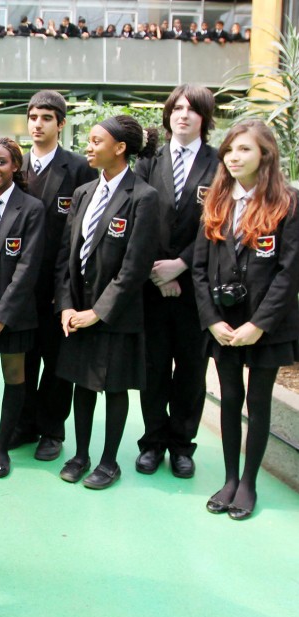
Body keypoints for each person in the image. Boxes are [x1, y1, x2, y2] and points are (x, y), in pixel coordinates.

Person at [193, 119, 299, 520]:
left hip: (265, 325)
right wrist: (212, 320)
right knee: (230, 398)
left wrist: (260, 324)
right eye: (231, 150)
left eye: (245, 150)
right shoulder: (218, 201)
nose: (234, 157)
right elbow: (199, 269)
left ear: (265, 155)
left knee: (257, 401)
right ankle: (230, 478)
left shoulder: (287, 202)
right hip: (223, 324)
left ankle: (249, 483)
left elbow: (289, 273)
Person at [56, 115, 160, 491]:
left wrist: (97, 313)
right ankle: (81, 455)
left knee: (114, 389)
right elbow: (66, 255)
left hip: (115, 315)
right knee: (81, 386)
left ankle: (109, 461)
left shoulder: (144, 197)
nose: (88, 145)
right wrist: (67, 305)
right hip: (77, 310)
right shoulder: (83, 192)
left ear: (120, 148)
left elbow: (134, 269)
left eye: (97, 140)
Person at [134, 85, 219, 479]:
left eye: (192, 109)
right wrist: (157, 268)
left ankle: (182, 446)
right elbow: (138, 216)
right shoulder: (149, 162)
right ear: (168, 115)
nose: (183, 115)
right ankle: (152, 442)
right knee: (152, 369)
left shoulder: (219, 165)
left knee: (190, 370)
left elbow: (217, 226)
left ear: (205, 116)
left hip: (195, 288)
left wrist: (181, 265)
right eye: (177, 108)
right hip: (152, 287)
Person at [16, 91, 94, 462]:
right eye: (33, 117)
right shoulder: (15, 166)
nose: (37, 124)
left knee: (58, 362)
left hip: (61, 286)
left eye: (46, 118)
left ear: (61, 123)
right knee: (22, 360)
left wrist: (70, 292)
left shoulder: (79, 168)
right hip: (18, 286)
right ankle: (24, 423)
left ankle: (52, 430)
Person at [0, 139, 45, 478]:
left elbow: (28, 268)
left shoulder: (31, 208)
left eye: (2, 162)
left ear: (15, 166)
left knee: (14, 375)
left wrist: (2, 316)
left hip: (14, 314)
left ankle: (4, 446)